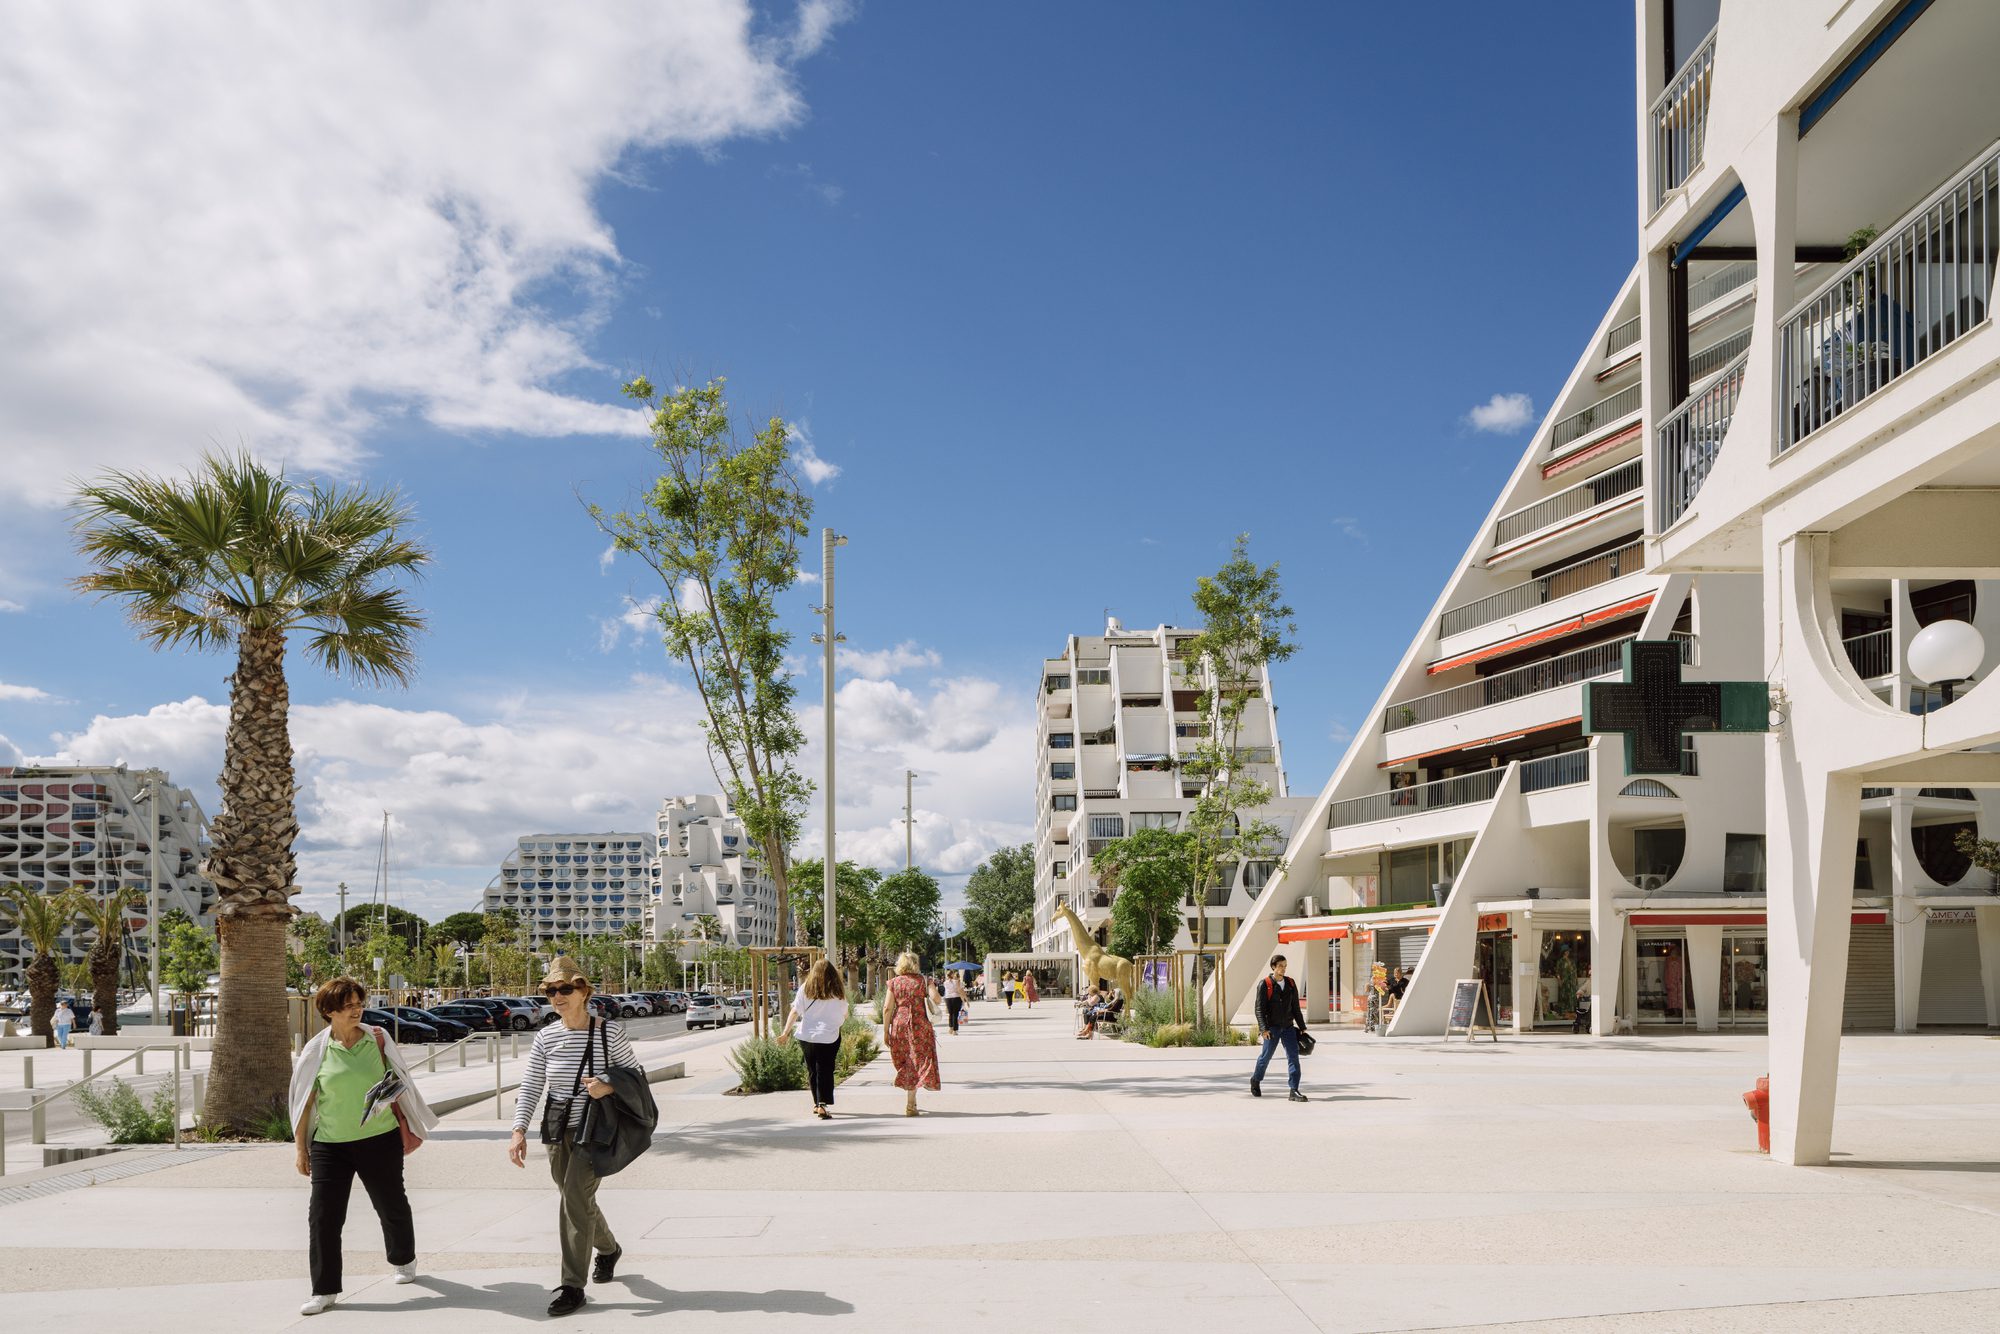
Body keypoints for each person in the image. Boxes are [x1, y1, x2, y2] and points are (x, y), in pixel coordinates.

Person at [288, 976, 436, 1317]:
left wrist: (389, 1093)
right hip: (330, 1144)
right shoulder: (316, 1050)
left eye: (359, 1004)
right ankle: (324, 1290)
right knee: (323, 1217)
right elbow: (303, 1103)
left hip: (378, 1139)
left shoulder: (378, 1039)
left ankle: (403, 1259)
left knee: (390, 1203)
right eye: (348, 1006)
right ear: (329, 1011)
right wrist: (301, 1149)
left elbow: (402, 1080)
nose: (357, 1010)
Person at [507, 955, 642, 1318]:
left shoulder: (608, 1031)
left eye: (565, 988)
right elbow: (532, 1084)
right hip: (556, 1128)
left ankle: (572, 1285)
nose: (557, 996)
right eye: (551, 990)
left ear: (584, 991)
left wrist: (608, 1085)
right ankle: (609, 1248)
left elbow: (635, 1076)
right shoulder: (546, 1036)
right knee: (574, 1199)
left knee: (573, 1203)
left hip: (594, 1131)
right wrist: (519, 1129)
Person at [777, 959, 847, 1119]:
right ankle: (822, 1104)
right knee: (825, 1069)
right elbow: (844, 1013)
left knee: (812, 1070)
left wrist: (785, 1032)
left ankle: (817, 1103)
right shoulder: (837, 991)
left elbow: (795, 1011)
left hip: (807, 1035)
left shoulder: (805, 988)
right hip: (829, 1035)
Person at [881, 952, 940, 1116]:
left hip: (900, 1024)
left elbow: (887, 1008)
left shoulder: (894, 983)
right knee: (918, 1059)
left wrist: (886, 1031)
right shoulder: (923, 980)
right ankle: (911, 1103)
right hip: (920, 1025)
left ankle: (911, 1103)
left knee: (906, 1061)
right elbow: (937, 999)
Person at [1251, 953, 1308, 1102]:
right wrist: (1263, 1029)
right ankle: (1256, 1079)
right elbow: (1259, 1009)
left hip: (1288, 1027)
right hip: (1272, 1028)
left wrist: (1302, 1026)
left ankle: (1294, 1090)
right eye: (1280, 966)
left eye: (1285, 965)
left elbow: (1295, 1007)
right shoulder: (1265, 984)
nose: (1283, 968)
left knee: (1293, 1058)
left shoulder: (1291, 983)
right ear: (1273, 967)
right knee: (1266, 1057)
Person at [941, 969, 965, 1035]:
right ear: (952, 974)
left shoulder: (945, 983)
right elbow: (959, 990)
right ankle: (955, 1030)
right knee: (955, 1014)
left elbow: (946, 991)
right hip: (956, 998)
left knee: (950, 1014)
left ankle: (950, 1028)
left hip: (948, 998)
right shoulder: (956, 981)